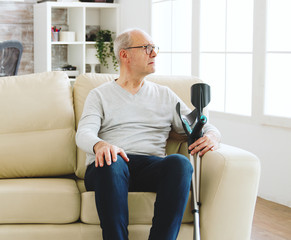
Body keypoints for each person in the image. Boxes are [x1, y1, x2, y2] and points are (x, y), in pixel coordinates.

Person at [75, 28, 221, 240]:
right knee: (112, 162)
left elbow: (199, 125)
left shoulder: (165, 95)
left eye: (154, 49)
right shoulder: (99, 95)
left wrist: (213, 135)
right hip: (110, 167)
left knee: (180, 164)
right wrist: (101, 145)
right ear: (124, 54)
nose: (154, 54)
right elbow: (84, 133)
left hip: (150, 166)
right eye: (147, 48)